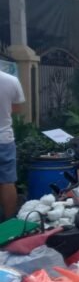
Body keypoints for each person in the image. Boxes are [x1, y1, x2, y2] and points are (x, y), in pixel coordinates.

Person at [0, 71, 25, 221]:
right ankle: (9, 223)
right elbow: (17, 109)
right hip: (4, 138)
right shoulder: (11, 80)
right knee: (7, 181)